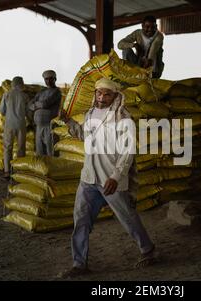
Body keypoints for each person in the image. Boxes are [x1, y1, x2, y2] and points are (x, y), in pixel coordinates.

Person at [59, 78, 155, 277]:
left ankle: (147, 249)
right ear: (95, 94)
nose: (102, 98)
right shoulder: (90, 114)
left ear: (115, 96)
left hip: (110, 180)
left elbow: (128, 152)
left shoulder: (123, 119)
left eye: (107, 94)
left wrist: (116, 176)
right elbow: (85, 136)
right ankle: (79, 264)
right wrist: (68, 121)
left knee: (127, 217)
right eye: (99, 93)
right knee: (81, 220)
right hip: (88, 178)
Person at [0, 76, 29, 178]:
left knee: (8, 147)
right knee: (21, 147)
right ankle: (19, 170)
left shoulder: (6, 95)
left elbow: (2, 111)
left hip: (9, 124)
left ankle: (7, 171)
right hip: (21, 124)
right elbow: (28, 112)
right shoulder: (24, 96)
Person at [28, 70, 62, 156]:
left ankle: (53, 169)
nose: (48, 81)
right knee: (40, 151)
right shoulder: (41, 92)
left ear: (55, 79)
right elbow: (30, 105)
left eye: (51, 79)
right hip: (39, 127)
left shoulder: (56, 91)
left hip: (49, 126)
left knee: (51, 151)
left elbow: (45, 104)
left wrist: (36, 105)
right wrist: (38, 105)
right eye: (46, 79)